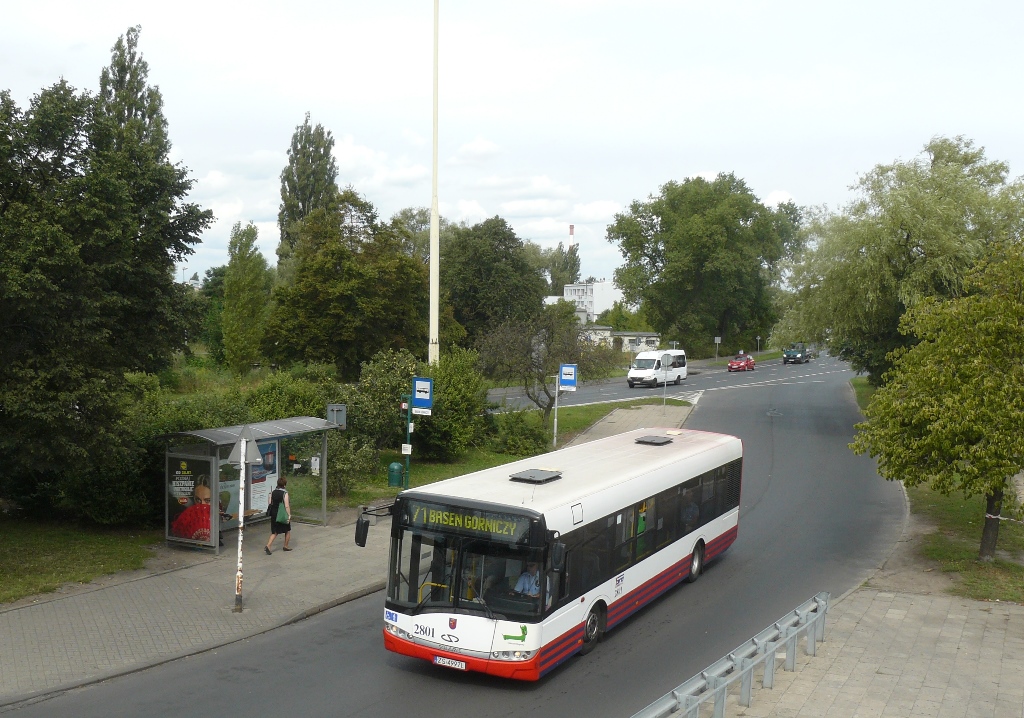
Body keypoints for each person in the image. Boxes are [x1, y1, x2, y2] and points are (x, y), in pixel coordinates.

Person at [264, 477, 292, 554]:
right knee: (287, 530)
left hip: (274, 513)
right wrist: (289, 515)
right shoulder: (285, 493)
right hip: (282, 514)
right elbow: (286, 505)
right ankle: (285, 546)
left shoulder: (272, 492)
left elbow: (270, 502)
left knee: (275, 531)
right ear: (284, 485)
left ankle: (268, 545)